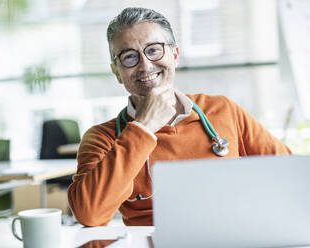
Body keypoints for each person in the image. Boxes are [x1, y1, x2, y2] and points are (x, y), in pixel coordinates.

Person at [67, 7, 291, 227]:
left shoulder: (223, 110)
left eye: (153, 50)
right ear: (117, 72)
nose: (145, 65)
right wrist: (143, 127)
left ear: (174, 55)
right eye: (129, 57)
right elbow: (90, 214)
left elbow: (290, 174)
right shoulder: (101, 138)